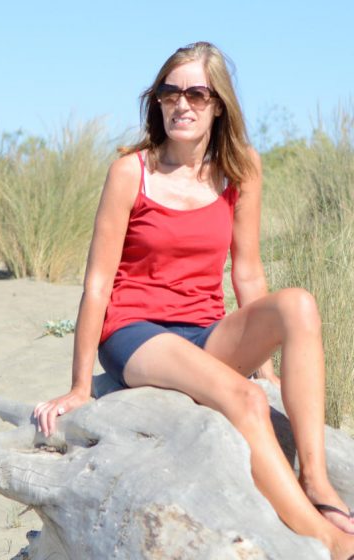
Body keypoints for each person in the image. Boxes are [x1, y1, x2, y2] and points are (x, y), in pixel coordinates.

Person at [34, 41, 354, 559]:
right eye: (169, 92)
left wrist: (267, 368)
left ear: (218, 104)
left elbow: (246, 271)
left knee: (298, 305)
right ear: (157, 102)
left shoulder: (242, 168)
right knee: (245, 399)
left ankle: (317, 483)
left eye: (196, 94)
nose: (182, 104)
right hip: (136, 334)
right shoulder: (130, 172)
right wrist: (77, 386)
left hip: (206, 332)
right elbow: (97, 284)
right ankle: (324, 539)